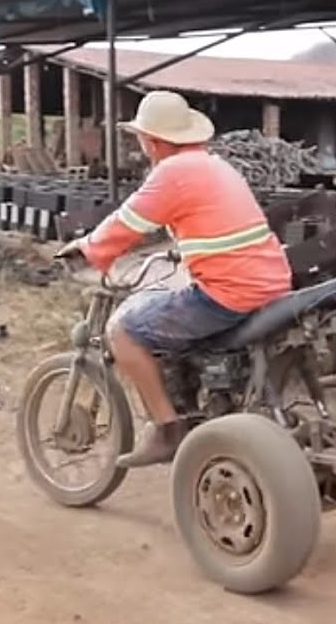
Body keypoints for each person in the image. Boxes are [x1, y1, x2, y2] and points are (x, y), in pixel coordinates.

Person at [56, 90, 292, 468]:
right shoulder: (215, 166)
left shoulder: (171, 174)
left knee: (124, 331)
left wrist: (85, 249)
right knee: (173, 301)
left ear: (152, 141)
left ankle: (167, 428)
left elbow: (126, 223)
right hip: (272, 280)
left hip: (229, 291)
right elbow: (214, 225)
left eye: (141, 138)